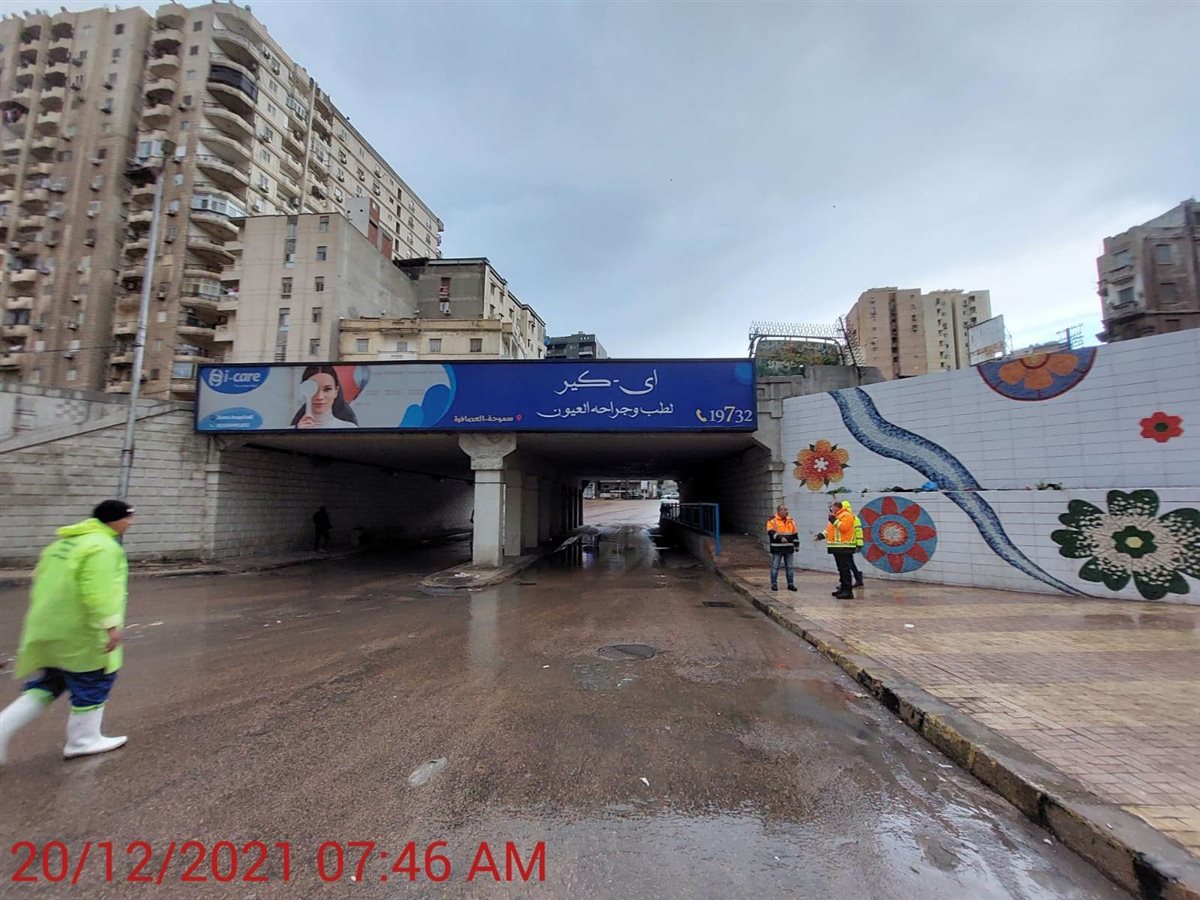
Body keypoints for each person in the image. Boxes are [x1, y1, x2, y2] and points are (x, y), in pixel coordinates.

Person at [0, 500, 135, 765]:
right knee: (94, 680)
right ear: (116, 519)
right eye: (129, 517)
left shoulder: (62, 544)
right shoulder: (104, 547)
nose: (131, 522)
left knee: (51, 682)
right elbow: (98, 590)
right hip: (81, 631)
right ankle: (83, 740)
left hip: (49, 628)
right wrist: (109, 625)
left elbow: (41, 580)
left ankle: (2, 727)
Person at [814, 498, 857, 599]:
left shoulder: (847, 515)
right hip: (837, 547)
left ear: (837, 507)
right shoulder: (836, 516)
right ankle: (843, 589)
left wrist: (833, 520)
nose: (831, 508)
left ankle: (848, 592)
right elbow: (830, 530)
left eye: (832, 506)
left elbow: (844, 527)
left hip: (845, 546)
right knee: (841, 569)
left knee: (845, 569)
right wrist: (820, 535)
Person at [292, 365, 358, 429]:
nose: (319, 397)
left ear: (336, 391)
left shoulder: (350, 428)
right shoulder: (289, 431)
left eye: (327, 389)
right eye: (312, 389)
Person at [765, 504, 799, 592]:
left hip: (788, 548)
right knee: (775, 567)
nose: (787, 511)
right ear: (779, 511)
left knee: (790, 567)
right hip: (777, 548)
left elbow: (795, 534)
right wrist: (780, 538)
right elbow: (770, 532)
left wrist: (796, 545)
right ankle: (774, 584)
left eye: (787, 510)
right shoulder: (772, 520)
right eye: (785, 510)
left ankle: (790, 584)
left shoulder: (791, 520)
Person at [843, 500, 866, 588]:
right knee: (849, 563)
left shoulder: (851, 518)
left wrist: (859, 544)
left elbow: (858, 532)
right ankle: (857, 580)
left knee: (848, 563)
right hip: (849, 544)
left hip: (849, 544)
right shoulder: (852, 518)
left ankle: (852, 581)